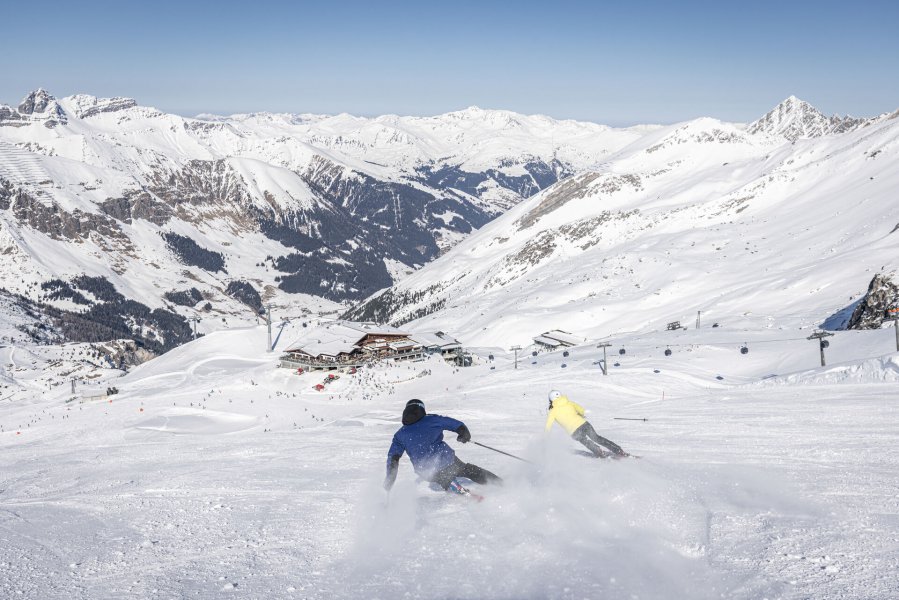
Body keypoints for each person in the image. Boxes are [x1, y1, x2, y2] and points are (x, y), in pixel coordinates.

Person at [384, 399, 502, 491]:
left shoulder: (400, 434)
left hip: (425, 471)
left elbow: (393, 458)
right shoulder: (431, 420)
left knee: (441, 477)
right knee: (468, 470)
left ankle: (451, 485)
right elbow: (456, 424)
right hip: (447, 461)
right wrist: (463, 433)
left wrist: (390, 479)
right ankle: (499, 483)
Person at [544, 390, 629, 458]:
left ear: (551, 400)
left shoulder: (552, 411)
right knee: (597, 438)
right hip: (583, 423)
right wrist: (582, 414)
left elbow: (548, 425)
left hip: (573, 431)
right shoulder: (569, 403)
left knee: (585, 441)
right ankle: (619, 451)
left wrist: (546, 437)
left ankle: (598, 452)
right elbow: (581, 409)